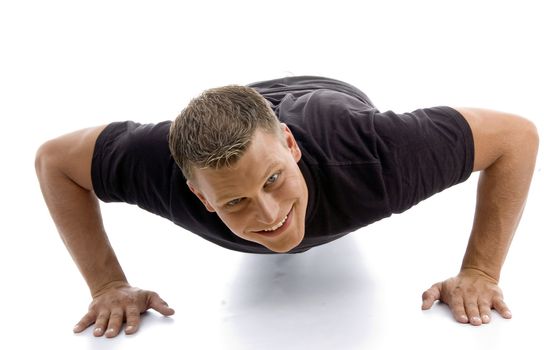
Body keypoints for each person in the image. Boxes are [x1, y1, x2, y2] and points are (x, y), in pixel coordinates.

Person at [35, 76, 539, 338]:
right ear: (198, 196)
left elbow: (515, 136)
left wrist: (480, 271)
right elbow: (54, 160)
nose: (268, 214)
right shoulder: (159, 170)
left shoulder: (374, 158)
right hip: (232, 112)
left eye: (274, 179)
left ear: (292, 147)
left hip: (329, 99)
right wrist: (107, 285)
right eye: (235, 202)